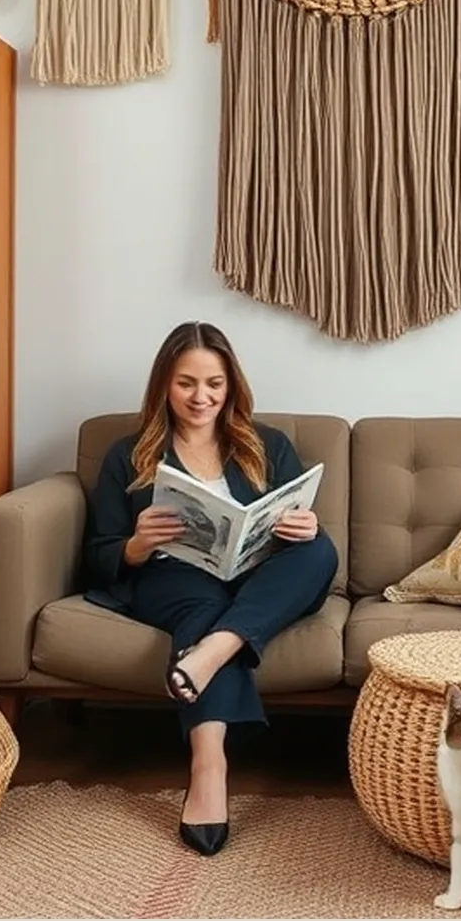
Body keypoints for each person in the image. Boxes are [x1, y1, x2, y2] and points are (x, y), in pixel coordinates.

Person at [83, 321, 339, 857]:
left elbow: (297, 521)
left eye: (214, 384)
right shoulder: (127, 455)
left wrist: (303, 527)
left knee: (319, 550)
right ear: (164, 385)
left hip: (256, 576)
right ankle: (209, 764)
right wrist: (134, 544)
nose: (202, 398)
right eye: (186, 384)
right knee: (205, 604)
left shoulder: (267, 445)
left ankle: (212, 651)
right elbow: (100, 550)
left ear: (231, 386)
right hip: (171, 577)